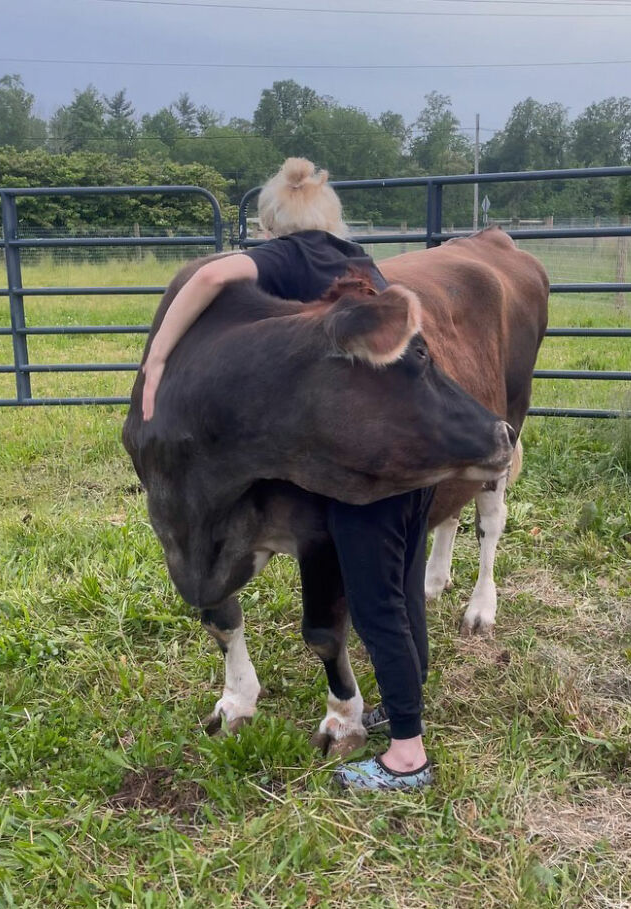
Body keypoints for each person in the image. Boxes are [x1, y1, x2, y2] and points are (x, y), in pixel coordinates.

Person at [142, 158, 434, 790]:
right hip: (411, 448)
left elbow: (213, 272)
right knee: (405, 588)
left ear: (274, 229)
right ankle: (404, 711)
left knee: (376, 601)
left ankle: (407, 756)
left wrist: (158, 357)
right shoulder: (360, 264)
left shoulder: (288, 258)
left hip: (357, 459)